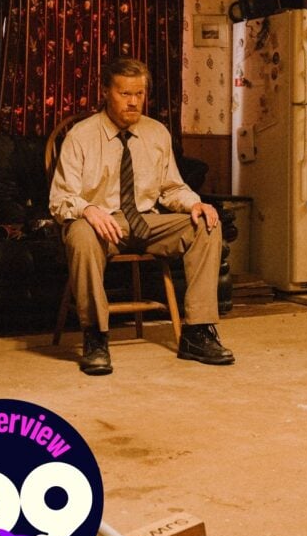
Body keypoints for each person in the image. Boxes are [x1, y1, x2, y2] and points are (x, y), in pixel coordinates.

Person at [49, 57, 233, 375]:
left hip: (147, 221)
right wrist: (88, 210)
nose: (133, 102)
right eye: (125, 94)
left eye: (139, 94)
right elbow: (60, 199)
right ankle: (95, 336)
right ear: (106, 92)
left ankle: (197, 332)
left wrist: (194, 204)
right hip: (103, 226)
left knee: (206, 225)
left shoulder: (156, 133)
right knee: (79, 233)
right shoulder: (81, 136)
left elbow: (171, 188)